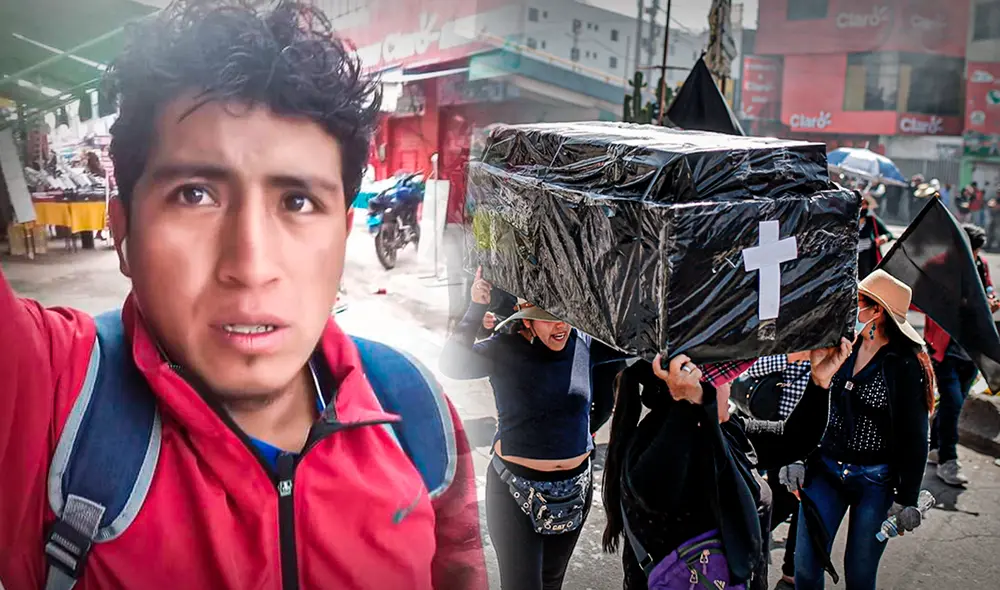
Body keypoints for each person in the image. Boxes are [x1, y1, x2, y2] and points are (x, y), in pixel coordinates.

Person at [0, 2, 487, 588]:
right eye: (194, 194)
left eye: (298, 202)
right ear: (123, 231)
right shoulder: (50, 399)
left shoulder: (416, 414)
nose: (250, 266)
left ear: (342, 236)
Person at [600, 341, 851, 590]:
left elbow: (793, 439)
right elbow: (660, 488)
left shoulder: (727, 431)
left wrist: (820, 382)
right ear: (699, 388)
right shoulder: (656, 447)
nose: (731, 386)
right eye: (725, 380)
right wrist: (690, 404)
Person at [440, 269, 626, 590]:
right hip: (515, 491)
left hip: (575, 490)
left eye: (566, 316)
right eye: (549, 317)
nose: (561, 325)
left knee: (551, 583)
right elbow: (452, 364)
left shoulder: (585, 344)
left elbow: (631, 344)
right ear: (527, 319)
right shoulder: (503, 348)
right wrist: (476, 307)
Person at [790, 270, 934, 590]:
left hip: (876, 481)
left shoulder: (905, 364)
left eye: (857, 302)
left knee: (859, 576)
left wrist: (907, 498)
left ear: (876, 311)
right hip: (825, 469)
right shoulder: (843, 343)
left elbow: (915, 438)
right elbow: (814, 396)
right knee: (805, 568)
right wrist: (796, 456)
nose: (849, 308)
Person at [925, 224, 1000, 485]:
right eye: (973, 251)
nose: (976, 257)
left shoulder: (980, 266)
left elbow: (988, 288)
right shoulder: (939, 267)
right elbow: (928, 302)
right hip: (944, 350)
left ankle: (934, 446)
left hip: (972, 352)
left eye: (978, 252)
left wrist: (989, 300)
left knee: (951, 403)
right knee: (953, 402)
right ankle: (948, 459)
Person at [743, 353, 814, 590]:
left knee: (806, 507)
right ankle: (741, 540)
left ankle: (790, 575)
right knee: (779, 501)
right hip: (781, 436)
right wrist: (793, 357)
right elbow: (753, 368)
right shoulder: (792, 343)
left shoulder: (837, 345)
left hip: (818, 440)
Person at [858, 195, 893, 280]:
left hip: (867, 257)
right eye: (861, 204)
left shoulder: (872, 221)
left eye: (865, 204)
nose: (863, 207)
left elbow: (889, 234)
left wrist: (884, 238)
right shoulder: (847, 221)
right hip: (850, 258)